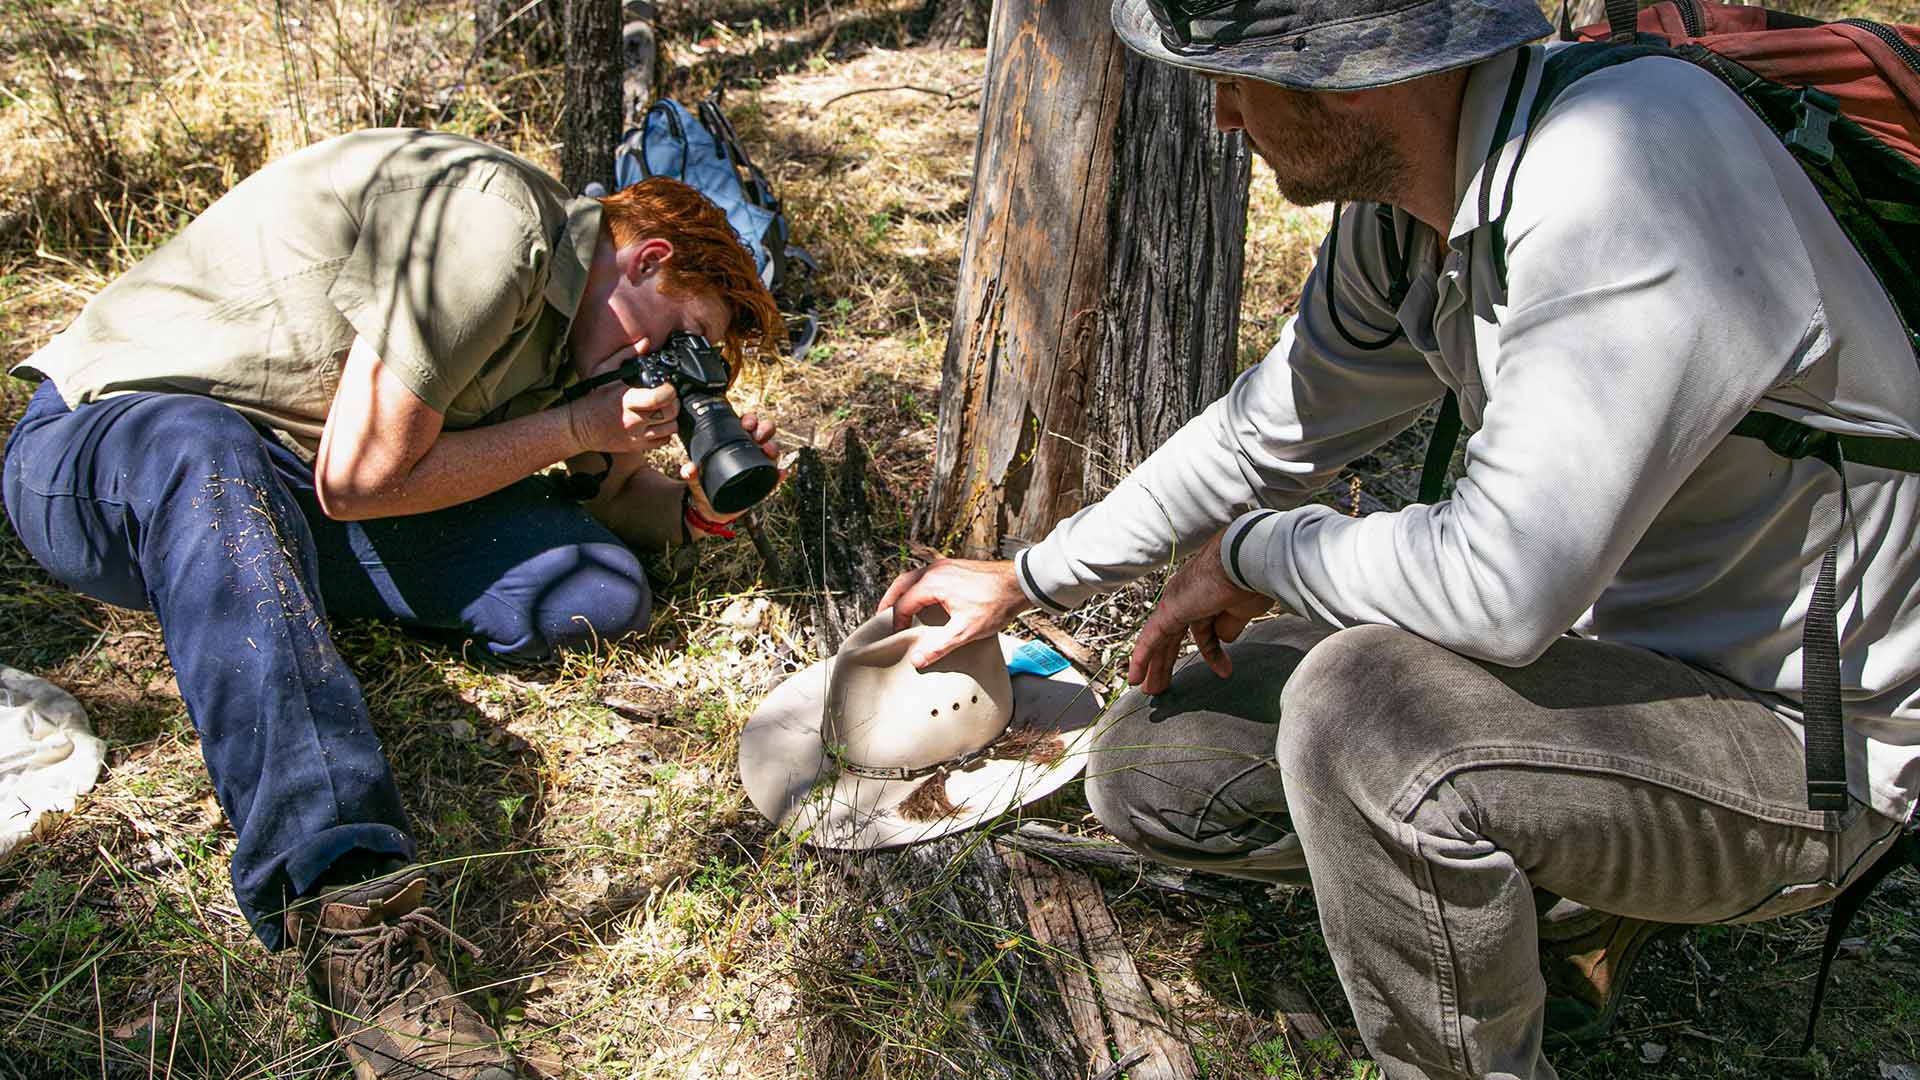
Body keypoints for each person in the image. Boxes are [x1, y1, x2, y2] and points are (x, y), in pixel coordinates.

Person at [879, 2, 1920, 1076]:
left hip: (1802, 747)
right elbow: (1267, 428)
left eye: (1239, 80)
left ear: (1354, 76)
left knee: (1369, 713)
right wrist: (1027, 576)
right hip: (1603, 677)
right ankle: (1557, 901)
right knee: (1159, 758)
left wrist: (1256, 555)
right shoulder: (1415, 208)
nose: (1226, 118)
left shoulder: (1624, 166)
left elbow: (1498, 588)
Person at [2, 128, 783, 1079]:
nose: (648, 367)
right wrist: (576, 425)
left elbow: (618, 503)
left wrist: (694, 508)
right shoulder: (496, 222)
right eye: (667, 340)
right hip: (108, 447)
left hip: (298, 490)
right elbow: (364, 477)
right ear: (645, 259)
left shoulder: (581, 347)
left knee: (596, 589)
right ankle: (349, 908)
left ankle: (260, 595)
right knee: (210, 458)